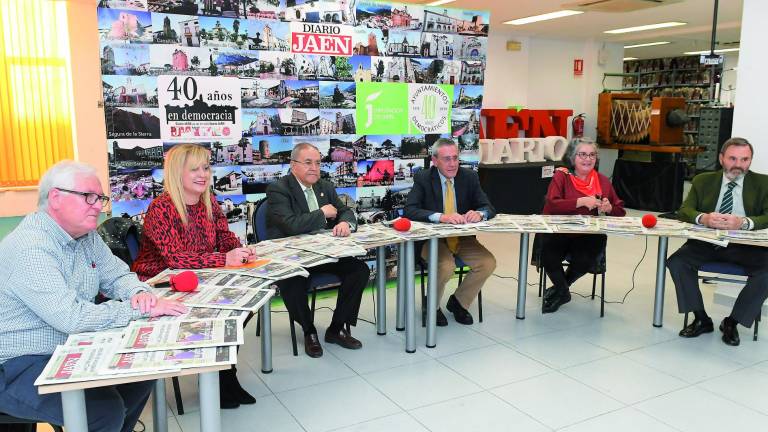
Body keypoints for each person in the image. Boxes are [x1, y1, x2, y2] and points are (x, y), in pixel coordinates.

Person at [0, 161, 187, 432]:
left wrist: (138, 293)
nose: (98, 206)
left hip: (70, 347)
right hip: (18, 363)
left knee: (141, 375)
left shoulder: (85, 236)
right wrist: (142, 310)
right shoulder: (31, 247)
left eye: (100, 198)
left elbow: (117, 275)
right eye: (88, 197)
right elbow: (72, 318)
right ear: (55, 198)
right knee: (102, 411)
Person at [131, 144, 257, 409]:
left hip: (199, 276)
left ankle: (222, 373)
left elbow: (222, 235)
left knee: (243, 308)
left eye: (206, 168)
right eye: (195, 169)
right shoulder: (161, 208)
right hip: (161, 283)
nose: (203, 174)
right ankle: (222, 378)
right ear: (178, 173)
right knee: (222, 314)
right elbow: (175, 260)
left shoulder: (208, 200)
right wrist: (224, 259)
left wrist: (237, 249)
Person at [266, 142, 370, 358]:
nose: (314, 168)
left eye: (318, 163)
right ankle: (308, 331)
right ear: (293, 165)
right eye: (308, 163)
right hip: (294, 256)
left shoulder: (325, 186)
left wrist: (345, 224)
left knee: (359, 270)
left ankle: (336, 328)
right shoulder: (279, 189)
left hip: (325, 252)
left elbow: (345, 211)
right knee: (292, 280)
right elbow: (291, 225)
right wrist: (322, 214)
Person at [667, 137, 768, 346]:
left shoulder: (763, 183)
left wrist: (744, 222)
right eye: (732, 158)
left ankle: (733, 322)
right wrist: (704, 218)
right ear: (721, 158)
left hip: (745, 246)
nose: (738, 165)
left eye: (744, 159)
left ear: (750, 161)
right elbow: (685, 210)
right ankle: (701, 318)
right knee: (677, 262)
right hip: (706, 242)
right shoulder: (703, 180)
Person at [405, 138, 497, 326]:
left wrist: (480, 213)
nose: (453, 163)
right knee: (446, 266)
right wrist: (441, 217)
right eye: (447, 159)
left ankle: (458, 302)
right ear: (435, 160)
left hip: (461, 238)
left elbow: (488, 206)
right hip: (432, 241)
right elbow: (410, 210)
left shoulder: (469, 177)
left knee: (488, 262)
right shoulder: (423, 178)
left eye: (455, 158)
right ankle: (431, 305)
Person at [540, 138, 625, 313]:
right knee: (548, 256)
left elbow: (620, 210)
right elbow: (552, 204)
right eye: (582, 154)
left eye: (592, 155)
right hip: (559, 229)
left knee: (586, 259)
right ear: (572, 157)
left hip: (588, 233)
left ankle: (561, 289)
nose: (588, 159)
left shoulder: (602, 181)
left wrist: (609, 208)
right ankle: (563, 292)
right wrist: (580, 201)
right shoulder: (561, 176)